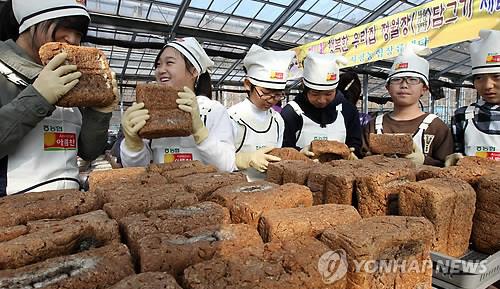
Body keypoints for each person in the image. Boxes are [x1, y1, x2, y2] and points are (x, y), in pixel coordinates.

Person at [0, 0, 116, 196]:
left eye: (79, 33)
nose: (72, 39)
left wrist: (100, 112)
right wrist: (38, 98)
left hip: (69, 204)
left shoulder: (72, 77)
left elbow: (88, 152)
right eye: (64, 26)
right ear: (32, 22)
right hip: (11, 210)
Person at [119, 37, 235, 172]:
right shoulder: (148, 112)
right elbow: (137, 171)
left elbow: (227, 167)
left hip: (207, 190)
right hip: (164, 191)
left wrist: (200, 132)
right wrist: (133, 145)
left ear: (193, 71)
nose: (161, 70)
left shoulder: (213, 110)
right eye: (158, 64)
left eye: (169, 63)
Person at [362, 44, 453, 166]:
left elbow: (447, 169)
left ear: (424, 88)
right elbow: (362, 162)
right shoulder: (374, 125)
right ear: (388, 87)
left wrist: (424, 161)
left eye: (413, 79)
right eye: (397, 79)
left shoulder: (436, 127)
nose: (404, 85)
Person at [228, 44, 295, 180]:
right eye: (265, 92)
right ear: (248, 84)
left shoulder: (277, 120)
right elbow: (217, 160)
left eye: (278, 95)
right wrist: (244, 159)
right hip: (236, 188)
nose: (271, 100)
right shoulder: (231, 117)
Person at [281, 52, 361, 159]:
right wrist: (298, 154)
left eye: (328, 94)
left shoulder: (348, 110)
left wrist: (353, 152)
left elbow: (355, 142)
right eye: (315, 94)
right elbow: (283, 147)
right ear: (304, 87)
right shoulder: (291, 112)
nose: (322, 100)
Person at [448, 29, 500, 166]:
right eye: (479, 78)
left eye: (497, 77)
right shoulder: (463, 116)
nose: (488, 85)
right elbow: (454, 154)